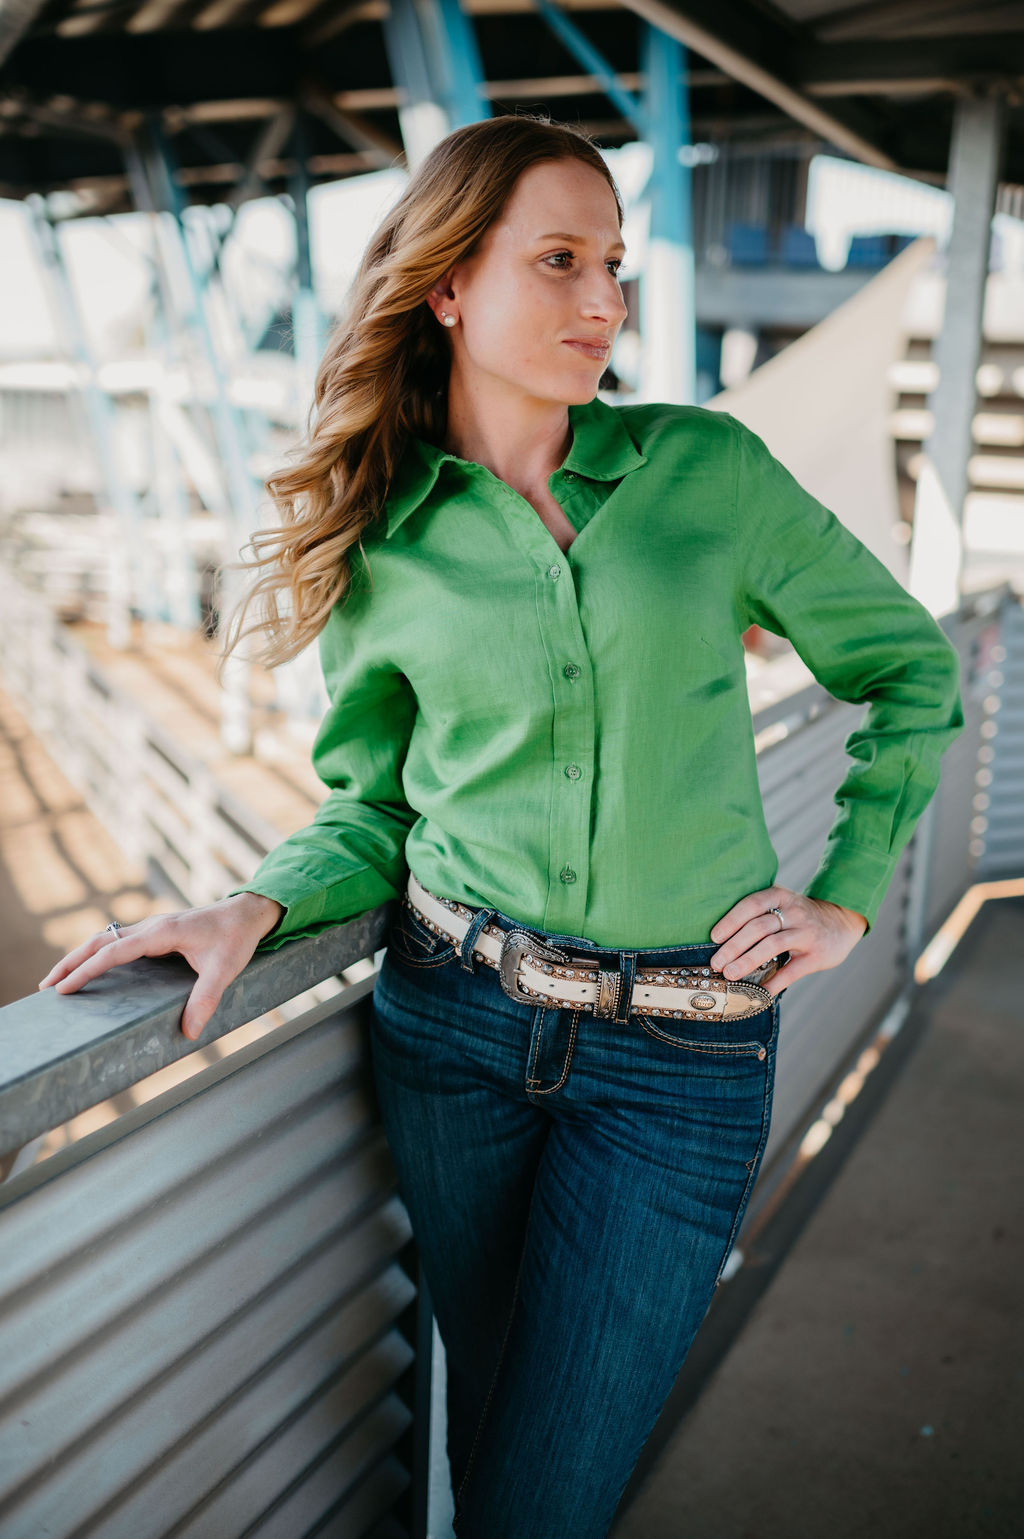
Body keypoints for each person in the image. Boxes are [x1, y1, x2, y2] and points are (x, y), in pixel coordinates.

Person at [38, 114, 964, 1537]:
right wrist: (259, 904)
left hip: (683, 1059)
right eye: (560, 261)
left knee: (538, 1502)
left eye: (614, 265)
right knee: (492, 1442)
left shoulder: (703, 474)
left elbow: (910, 665)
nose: (605, 302)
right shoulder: (386, 533)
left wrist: (848, 890)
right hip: (452, 1035)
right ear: (450, 286)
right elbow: (374, 805)